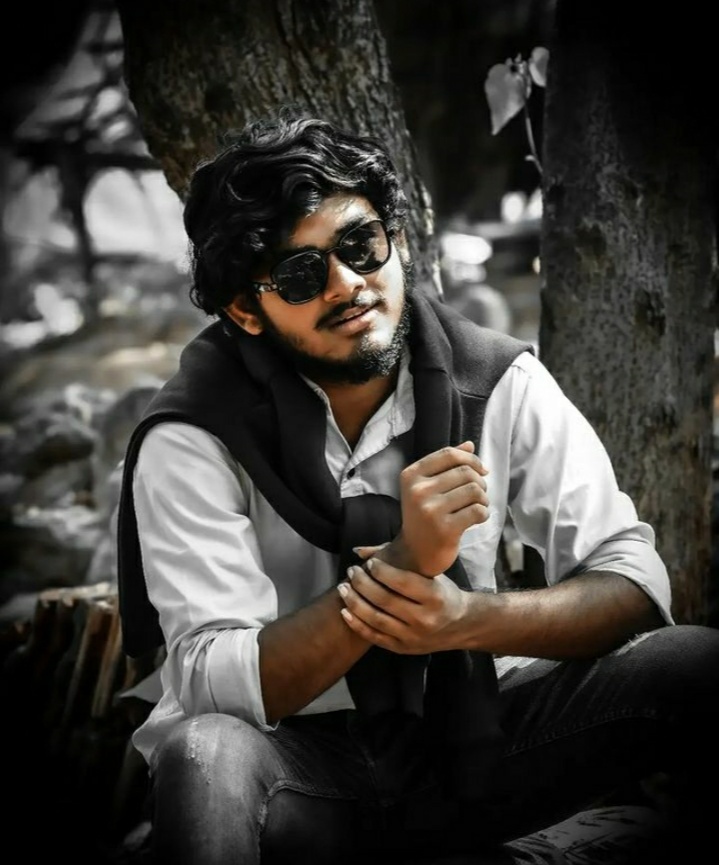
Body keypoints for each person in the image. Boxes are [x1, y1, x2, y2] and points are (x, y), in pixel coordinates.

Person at [115, 107, 719, 865]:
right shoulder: (194, 431)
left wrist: (464, 618)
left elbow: (633, 583)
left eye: (359, 246)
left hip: (478, 746)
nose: (347, 285)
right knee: (206, 753)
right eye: (301, 274)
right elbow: (211, 681)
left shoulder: (496, 382)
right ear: (246, 308)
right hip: (294, 771)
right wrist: (402, 566)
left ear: (396, 242)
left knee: (695, 662)